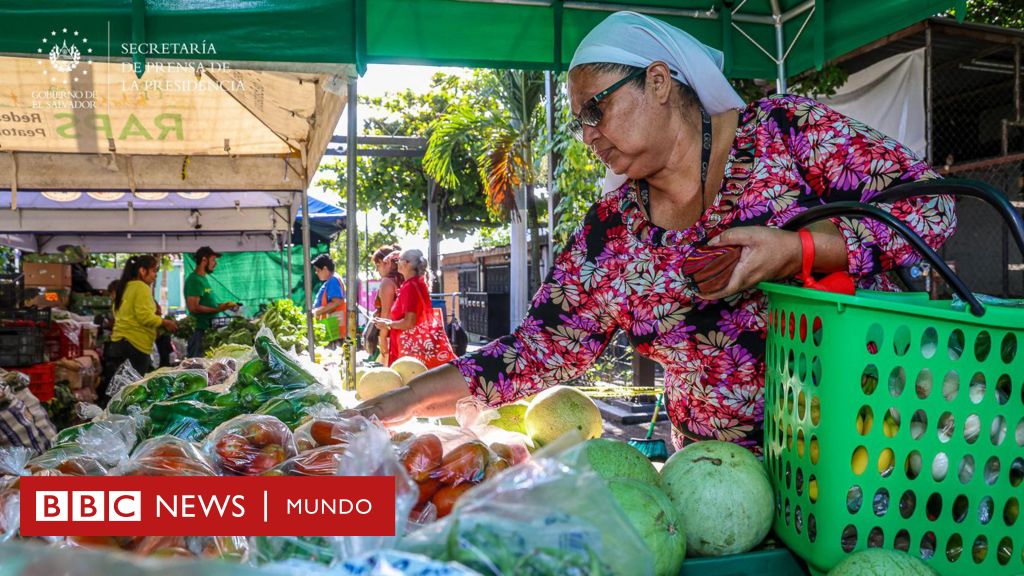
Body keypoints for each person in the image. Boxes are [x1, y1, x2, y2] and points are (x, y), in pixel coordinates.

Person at [356, 12, 956, 454]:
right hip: (720, 476)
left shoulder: (786, 133)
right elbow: (533, 350)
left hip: (868, 443)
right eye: (579, 121)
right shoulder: (611, 236)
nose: (587, 135)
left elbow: (934, 208)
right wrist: (399, 403)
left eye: (596, 109)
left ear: (661, 82)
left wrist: (797, 249)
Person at [372, 249, 455, 369]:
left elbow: (409, 322)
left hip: (410, 351)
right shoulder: (419, 282)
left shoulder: (409, 287)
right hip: (419, 348)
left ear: (405, 264)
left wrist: (388, 324)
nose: (396, 263)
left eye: (398, 261)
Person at [104, 255, 177, 384]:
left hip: (119, 344)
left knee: (120, 390)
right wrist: (165, 322)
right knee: (132, 391)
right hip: (135, 346)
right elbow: (145, 317)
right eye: (154, 271)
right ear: (142, 271)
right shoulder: (141, 287)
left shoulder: (125, 287)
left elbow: (118, 313)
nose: (155, 275)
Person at [184, 246, 237, 358]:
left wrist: (224, 306)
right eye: (213, 260)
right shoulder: (194, 280)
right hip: (199, 332)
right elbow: (193, 307)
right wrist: (218, 309)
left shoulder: (203, 279)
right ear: (204, 260)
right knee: (196, 365)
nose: (215, 263)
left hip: (207, 330)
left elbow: (207, 303)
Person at [366, 244, 404, 363]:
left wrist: (382, 340)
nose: (377, 270)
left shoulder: (387, 282)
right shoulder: (403, 279)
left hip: (390, 336)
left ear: (388, 263)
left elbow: (386, 315)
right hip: (404, 333)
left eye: (378, 265)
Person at [311, 254, 346, 349]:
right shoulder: (333, 279)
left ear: (325, 269)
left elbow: (337, 301)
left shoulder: (333, 280)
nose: (316, 273)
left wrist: (317, 312)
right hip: (332, 327)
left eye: (318, 270)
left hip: (333, 329)